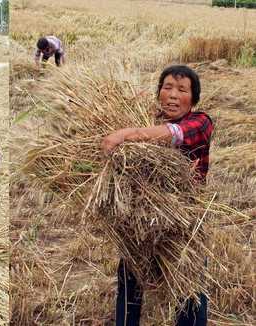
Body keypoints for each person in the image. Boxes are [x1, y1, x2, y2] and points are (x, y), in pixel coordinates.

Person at [101, 65, 213, 326]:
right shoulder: (147, 120)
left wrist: (128, 135)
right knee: (129, 283)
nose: (173, 95)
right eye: (167, 87)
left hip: (184, 224)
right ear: (158, 93)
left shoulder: (201, 122)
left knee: (189, 289)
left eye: (182, 90)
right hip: (141, 221)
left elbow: (173, 135)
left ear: (193, 99)